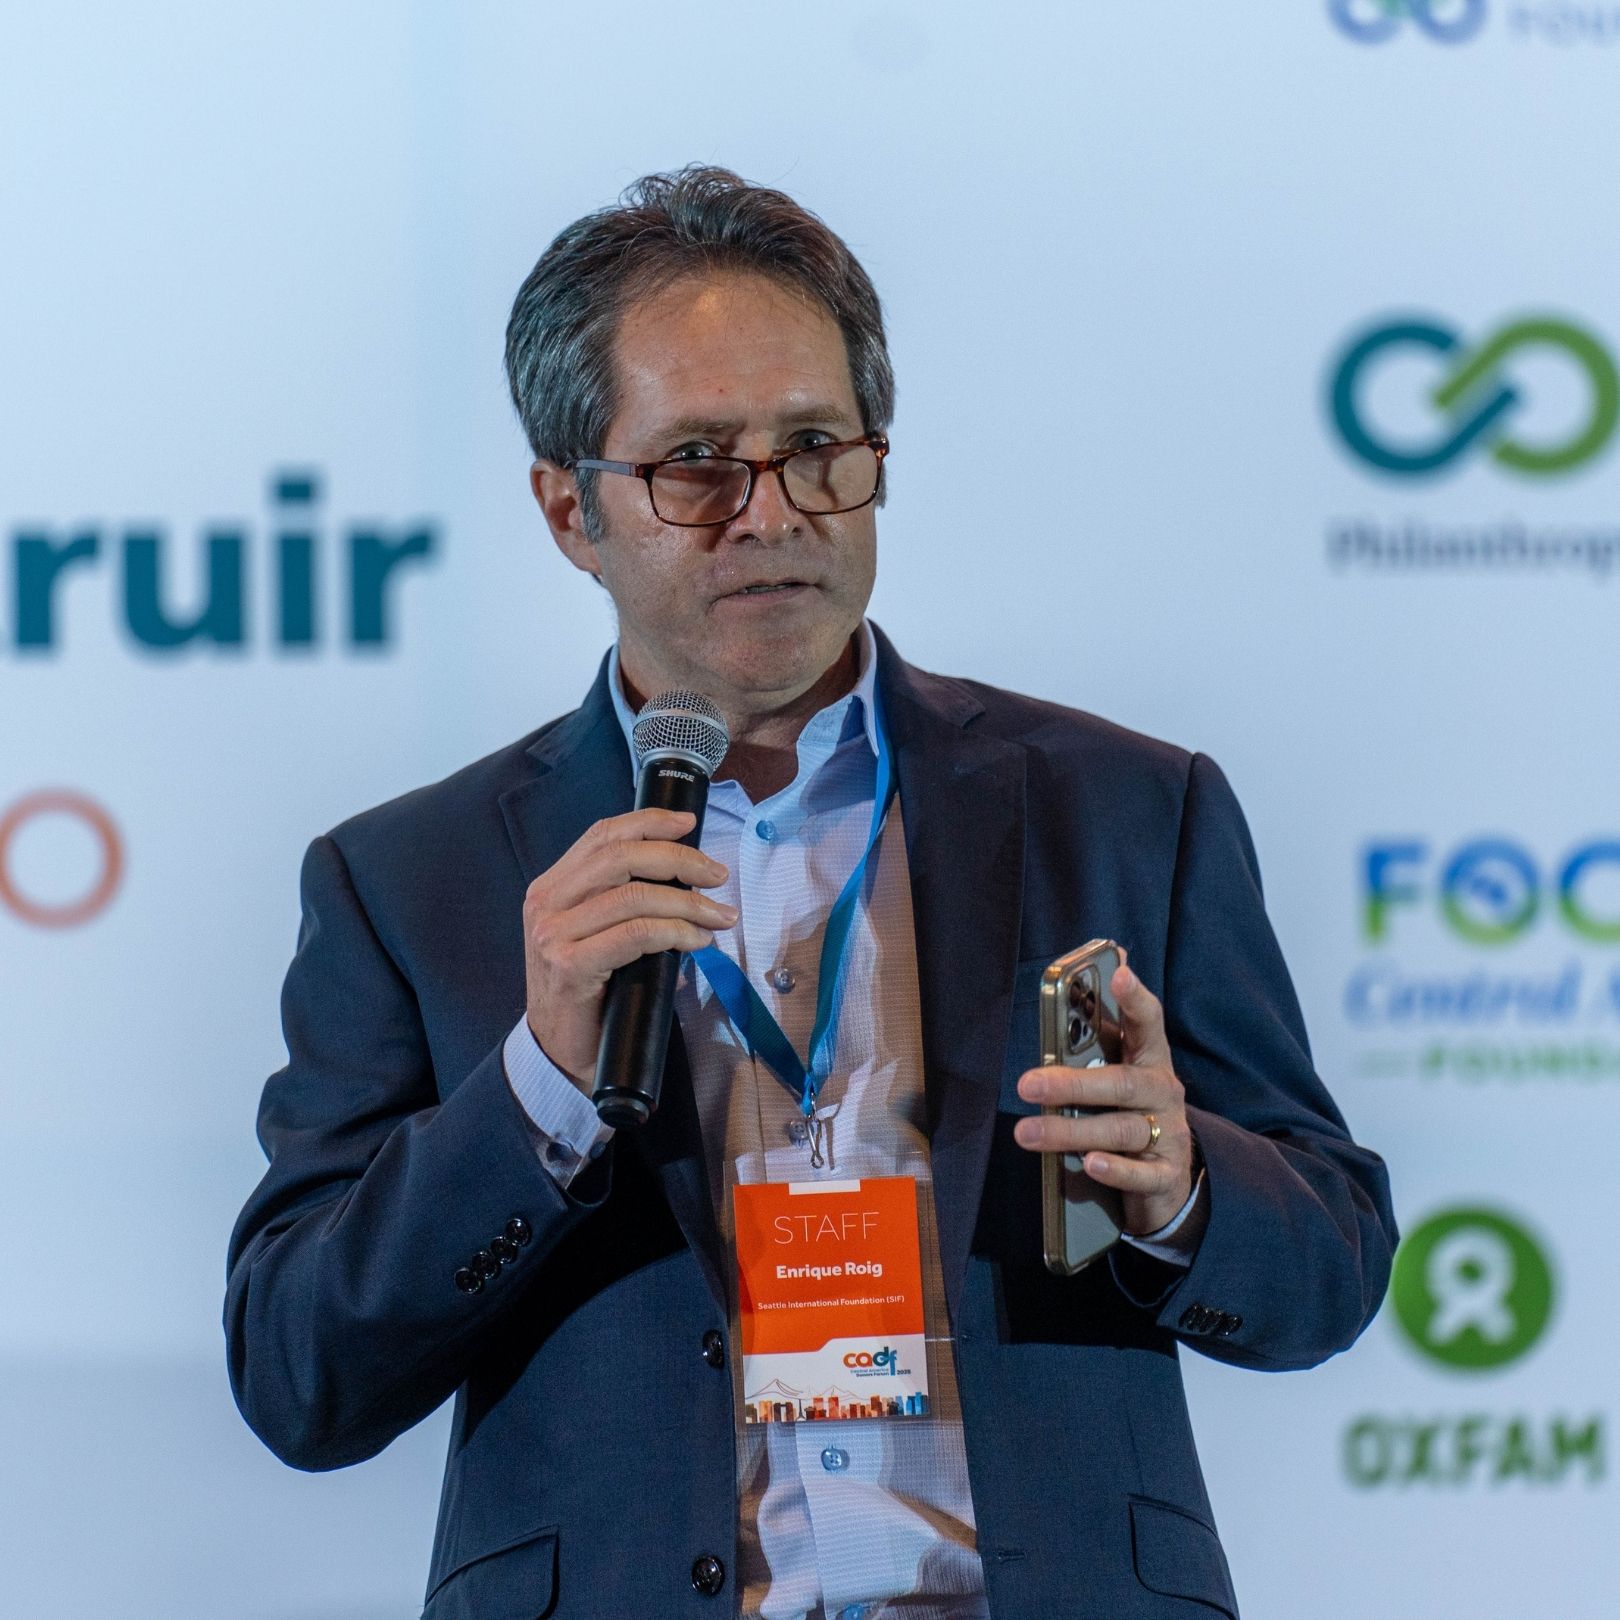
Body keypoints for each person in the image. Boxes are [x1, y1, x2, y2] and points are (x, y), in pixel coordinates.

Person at [225, 166, 1396, 1620]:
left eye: (815, 449)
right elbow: (300, 1378)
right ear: (569, 509)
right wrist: (539, 1086)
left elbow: (1333, 1264)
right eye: (697, 465)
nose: (769, 513)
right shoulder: (412, 878)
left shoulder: (1124, 809)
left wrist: (1184, 1185)